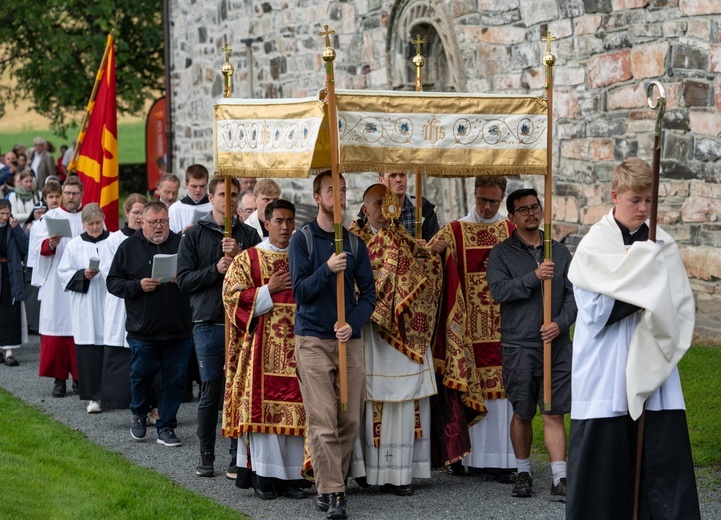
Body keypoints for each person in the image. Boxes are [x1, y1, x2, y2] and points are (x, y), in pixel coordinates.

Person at [566, 158, 700, 519]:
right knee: (602, 474)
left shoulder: (662, 243)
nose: (643, 208)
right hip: (605, 371)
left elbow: (679, 305)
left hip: (652, 368)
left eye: (649, 201)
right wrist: (645, 282)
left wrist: (648, 280)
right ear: (615, 196)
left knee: (660, 466)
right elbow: (595, 312)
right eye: (635, 200)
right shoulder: (595, 244)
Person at [289, 170, 375, 520]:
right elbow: (300, 292)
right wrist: (327, 268)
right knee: (323, 419)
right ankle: (334, 492)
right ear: (318, 198)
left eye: (342, 190)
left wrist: (352, 323)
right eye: (331, 191)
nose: (338, 196)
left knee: (349, 421)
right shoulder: (303, 240)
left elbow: (369, 295)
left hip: (347, 341)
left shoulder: (355, 244)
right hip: (312, 340)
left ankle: (331, 482)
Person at [486, 188, 577, 500]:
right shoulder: (501, 253)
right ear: (511, 217)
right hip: (519, 344)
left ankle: (559, 478)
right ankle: (523, 472)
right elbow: (498, 291)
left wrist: (559, 324)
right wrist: (534, 276)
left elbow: (573, 296)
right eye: (523, 209)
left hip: (557, 343)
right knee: (523, 411)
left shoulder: (560, 252)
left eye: (535, 207)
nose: (531, 213)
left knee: (553, 411)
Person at [349, 184, 439, 495]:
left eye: (391, 203)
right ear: (365, 208)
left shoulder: (406, 239)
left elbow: (428, 271)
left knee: (403, 401)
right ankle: (364, 470)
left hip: (403, 331)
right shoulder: (352, 239)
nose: (386, 208)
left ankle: (402, 473)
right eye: (378, 202)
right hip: (369, 331)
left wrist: (431, 256)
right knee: (367, 398)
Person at [428, 176, 517, 478]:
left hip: (505, 328)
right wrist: (435, 253)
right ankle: (465, 457)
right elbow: (427, 269)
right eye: (482, 200)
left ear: (502, 199)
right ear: (474, 195)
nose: (487, 206)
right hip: (466, 331)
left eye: (494, 201)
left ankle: (504, 460)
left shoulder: (510, 231)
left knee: (504, 396)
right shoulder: (454, 231)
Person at [222, 199, 310, 500]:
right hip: (261, 349)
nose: (285, 227)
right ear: (266, 223)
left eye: (289, 221)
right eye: (278, 221)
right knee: (264, 416)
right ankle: (262, 476)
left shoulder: (305, 257)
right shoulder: (248, 259)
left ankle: (292, 478)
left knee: (297, 414)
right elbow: (230, 298)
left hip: (299, 348)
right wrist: (266, 290)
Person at [176, 177, 260, 478]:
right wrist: (215, 269)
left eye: (234, 194)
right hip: (209, 320)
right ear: (211, 198)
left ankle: (236, 455)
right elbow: (183, 280)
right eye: (223, 194)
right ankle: (206, 454)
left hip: (242, 322)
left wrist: (239, 256)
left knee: (240, 388)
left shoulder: (249, 235)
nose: (229, 200)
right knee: (212, 387)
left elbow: (261, 279)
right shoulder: (195, 236)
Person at [107, 201, 192, 447]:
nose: (159, 226)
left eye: (163, 221)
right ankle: (139, 412)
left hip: (178, 327)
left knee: (175, 379)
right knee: (141, 374)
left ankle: (166, 426)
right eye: (153, 222)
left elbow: (196, 276)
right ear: (142, 222)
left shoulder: (181, 244)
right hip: (143, 328)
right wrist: (137, 286)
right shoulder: (128, 247)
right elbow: (113, 283)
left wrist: (183, 279)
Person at [31, 176, 85, 397]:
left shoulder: (89, 216)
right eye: (68, 193)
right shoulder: (50, 217)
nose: (70, 197)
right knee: (58, 328)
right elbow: (36, 249)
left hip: (81, 279)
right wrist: (49, 244)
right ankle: (59, 379)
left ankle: (82, 378)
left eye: (75, 193)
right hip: (56, 282)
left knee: (82, 329)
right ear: (63, 193)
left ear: (81, 194)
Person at [57, 203, 110, 414]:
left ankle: (113, 394)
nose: (95, 227)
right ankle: (93, 397)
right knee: (89, 350)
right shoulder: (74, 245)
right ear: (83, 223)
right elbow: (63, 273)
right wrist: (82, 274)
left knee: (111, 347)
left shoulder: (113, 241)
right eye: (90, 224)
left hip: (108, 301)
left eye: (98, 223)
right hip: (86, 304)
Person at [99, 194, 147, 410]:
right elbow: (108, 272)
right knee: (121, 351)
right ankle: (120, 400)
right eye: (135, 212)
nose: (139, 217)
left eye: (142, 213)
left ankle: (147, 402)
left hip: (146, 301)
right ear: (126, 213)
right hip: (121, 303)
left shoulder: (151, 239)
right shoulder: (112, 240)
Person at [0, 199, 29, 367]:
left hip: (11, 272)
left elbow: (25, 248)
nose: (4, 217)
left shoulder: (14, 227)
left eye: (6, 213)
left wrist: (16, 228)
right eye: (1, 214)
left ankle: (10, 351)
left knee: (11, 310)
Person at [377, 172, 438, 242]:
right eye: (392, 176)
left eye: (402, 175)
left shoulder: (422, 207)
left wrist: (427, 247)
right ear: (381, 180)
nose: (399, 179)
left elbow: (435, 241)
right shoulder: (372, 210)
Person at [168, 164, 211, 233]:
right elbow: (170, 238)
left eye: (202, 186)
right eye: (194, 186)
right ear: (186, 184)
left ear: (207, 184)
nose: (198, 190)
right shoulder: (175, 209)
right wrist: (182, 233)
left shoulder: (214, 206)